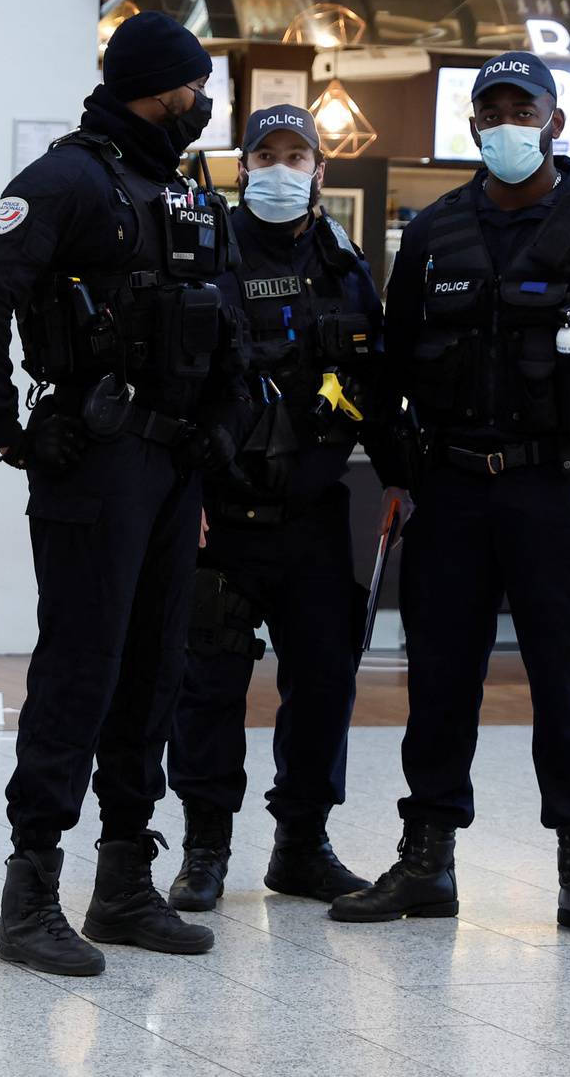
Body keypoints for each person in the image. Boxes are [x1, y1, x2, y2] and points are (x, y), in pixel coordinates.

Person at [329, 51, 570, 944]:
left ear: (554, 122)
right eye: (490, 110)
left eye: (521, 107)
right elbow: (394, 358)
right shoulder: (438, 231)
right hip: (451, 490)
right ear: (475, 125)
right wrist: (405, 468)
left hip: (558, 492)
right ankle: (426, 860)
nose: (504, 123)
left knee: (567, 682)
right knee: (439, 679)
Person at [0, 11, 252, 977]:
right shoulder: (68, 178)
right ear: (159, 87)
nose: (203, 104)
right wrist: (14, 428)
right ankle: (31, 890)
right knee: (83, 667)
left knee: (155, 666)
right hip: (97, 460)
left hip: (170, 467)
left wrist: (219, 434)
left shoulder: (184, 193)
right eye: (194, 87)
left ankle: (122, 881)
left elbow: (230, 326)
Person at [166, 105, 410, 911]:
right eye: (263, 153)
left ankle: (301, 844)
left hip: (311, 517)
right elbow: (174, 382)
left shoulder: (346, 264)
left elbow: (374, 389)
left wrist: (405, 476)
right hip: (221, 516)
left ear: (319, 170)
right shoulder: (205, 252)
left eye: (294, 153)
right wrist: (184, 492)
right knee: (209, 686)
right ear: (243, 168)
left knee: (326, 681)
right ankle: (205, 848)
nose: (278, 167)